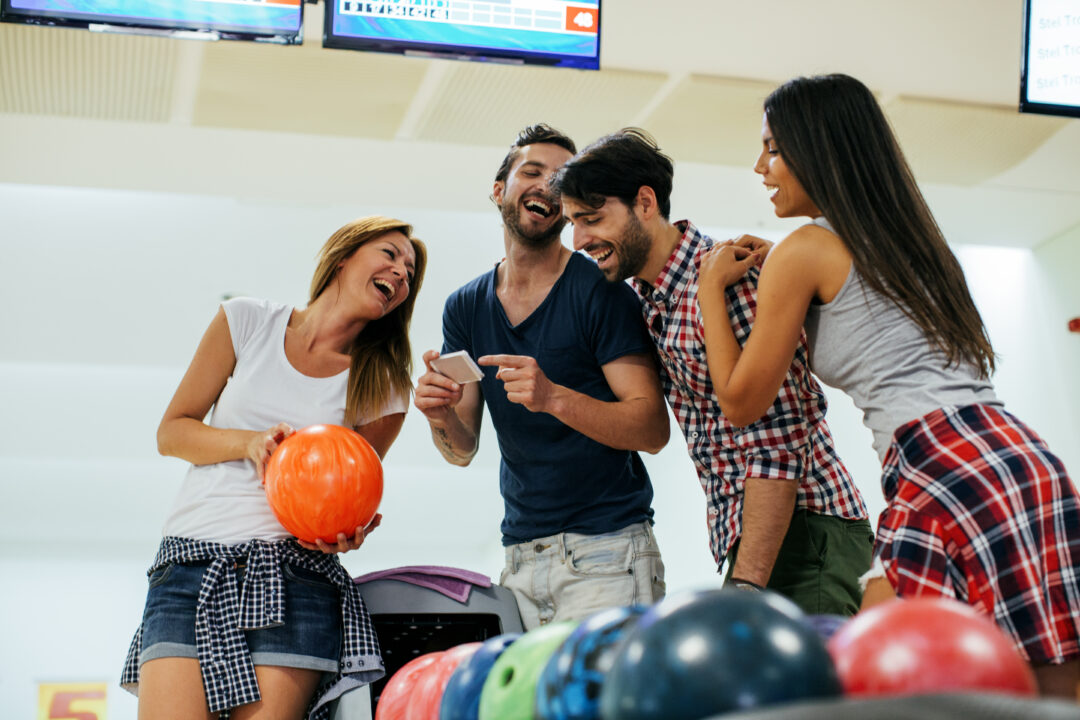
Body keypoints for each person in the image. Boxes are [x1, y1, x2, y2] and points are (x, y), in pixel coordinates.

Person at [696, 73, 1080, 697]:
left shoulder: (804, 250)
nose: (760, 167)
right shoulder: (906, 241)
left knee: (882, 680)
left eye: (773, 148)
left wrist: (710, 287)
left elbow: (740, 403)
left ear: (817, 149)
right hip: (1021, 459)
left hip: (942, 461)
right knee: (1053, 683)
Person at [553, 128, 873, 616]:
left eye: (592, 219)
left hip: (806, 535)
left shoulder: (730, 280)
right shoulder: (650, 298)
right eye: (573, 222)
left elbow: (776, 439)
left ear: (644, 202)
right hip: (759, 538)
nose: (579, 240)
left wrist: (745, 586)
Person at [120, 216, 427, 719]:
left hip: (295, 574)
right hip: (190, 564)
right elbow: (172, 432)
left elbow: (353, 492)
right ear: (344, 255)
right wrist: (252, 444)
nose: (401, 273)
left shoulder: (385, 384)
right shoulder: (245, 321)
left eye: (410, 272)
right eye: (391, 254)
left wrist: (342, 533)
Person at [413, 123, 669, 630]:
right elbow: (461, 450)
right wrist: (439, 415)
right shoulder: (465, 306)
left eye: (560, 180)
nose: (546, 186)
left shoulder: (601, 288)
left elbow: (651, 428)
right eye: (532, 172)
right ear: (499, 190)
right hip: (521, 560)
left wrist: (553, 397)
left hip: (608, 552)